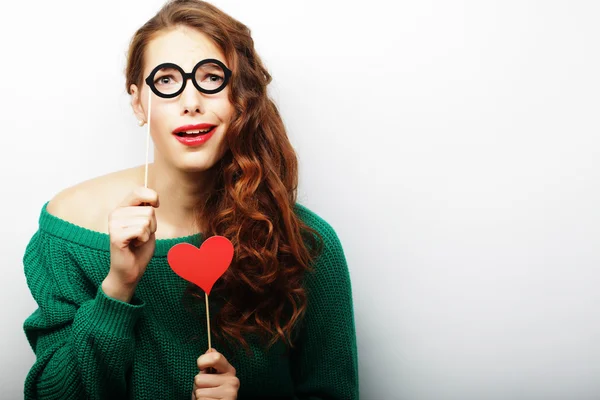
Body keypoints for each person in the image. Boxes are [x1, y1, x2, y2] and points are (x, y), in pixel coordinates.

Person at [21, 0, 358, 399]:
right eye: (166, 81)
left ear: (241, 96)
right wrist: (118, 286)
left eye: (211, 78)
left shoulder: (306, 243)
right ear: (137, 102)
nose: (191, 100)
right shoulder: (69, 233)